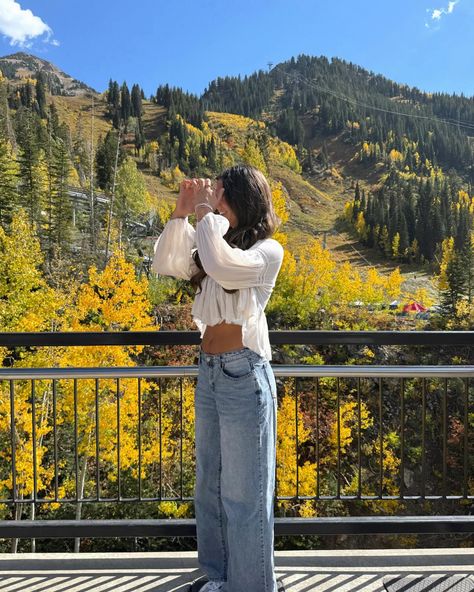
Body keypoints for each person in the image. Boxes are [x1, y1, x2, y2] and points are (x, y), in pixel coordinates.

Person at [152, 164, 285, 592]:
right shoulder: (213, 241)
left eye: (222, 194)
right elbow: (166, 262)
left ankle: (251, 587)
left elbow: (225, 268)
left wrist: (206, 214)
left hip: (243, 374)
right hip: (210, 374)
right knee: (209, 486)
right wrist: (182, 211)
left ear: (244, 200)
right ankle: (218, 578)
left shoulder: (267, 251)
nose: (216, 201)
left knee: (245, 495)